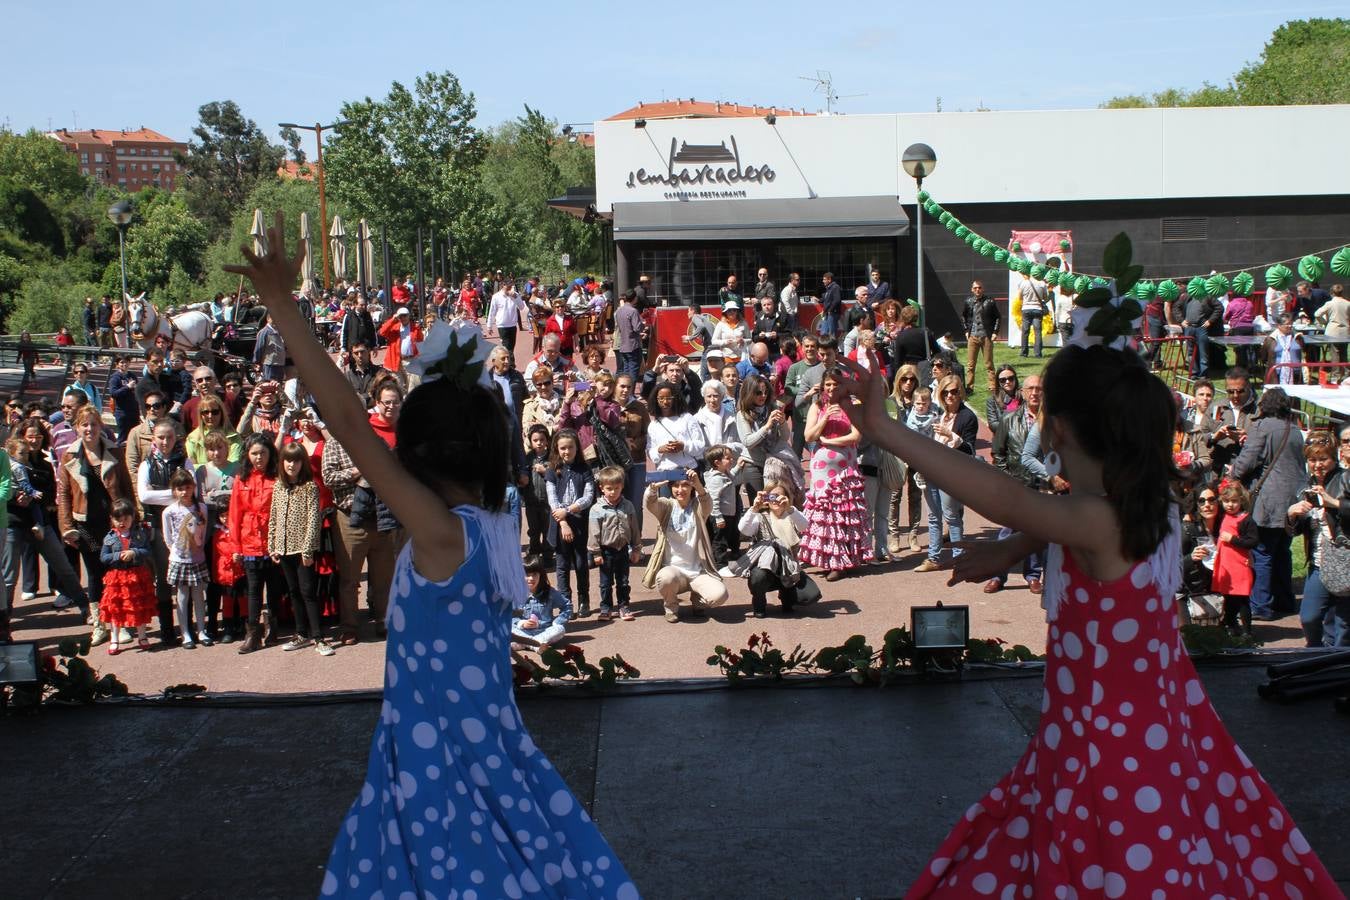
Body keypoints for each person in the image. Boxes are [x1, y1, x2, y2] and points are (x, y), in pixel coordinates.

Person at [836, 330, 1338, 897]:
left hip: (1107, 748)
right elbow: (1053, 517)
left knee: (1115, 864)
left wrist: (883, 429)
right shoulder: (1147, 500)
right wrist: (1012, 548)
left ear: (1060, 429)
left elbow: (1012, 499)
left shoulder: (1096, 521)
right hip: (1156, 726)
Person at [227, 221, 636, 897]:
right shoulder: (488, 525)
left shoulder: (443, 534)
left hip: (437, 754)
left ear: (416, 453)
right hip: (468, 743)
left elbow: (350, 424)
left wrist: (281, 305)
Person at [57, 405, 131, 648]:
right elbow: (65, 494)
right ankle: (100, 624)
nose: (89, 429)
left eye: (94, 424)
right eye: (84, 425)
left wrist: (134, 518)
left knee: (117, 572)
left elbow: (126, 486)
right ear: (77, 428)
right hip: (85, 524)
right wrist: (66, 526)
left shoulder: (114, 452)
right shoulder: (69, 456)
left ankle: (120, 623)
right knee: (95, 574)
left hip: (113, 523)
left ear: (101, 426)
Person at [1231, 386, 1306, 621]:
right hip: (1292, 501)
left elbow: (1246, 461)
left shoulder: (1262, 427)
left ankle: (1261, 605)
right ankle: (1285, 600)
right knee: (1282, 551)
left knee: (1262, 553)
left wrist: (1231, 474)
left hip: (1269, 501)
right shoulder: (1295, 430)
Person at [799, 367, 868, 581]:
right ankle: (825, 559)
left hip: (845, 467)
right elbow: (809, 435)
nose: (831, 388)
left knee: (843, 512)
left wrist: (829, 441)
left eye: (835, 384)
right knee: (825, 513)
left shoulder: (851, 405)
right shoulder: (817, 406)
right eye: (828, 384)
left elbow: (856, 436)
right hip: (822, 471)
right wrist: (824, 419)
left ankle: (843, 560)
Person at [1288, 429, 1350, 647]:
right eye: (1312, 460)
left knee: (1343, 626)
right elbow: (1293, 531)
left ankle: (1337, 669)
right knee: (1309, 617)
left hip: (1345, 563)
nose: (1317, 465)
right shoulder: (1304, 486)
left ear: (1334, 458)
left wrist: (1333, 502)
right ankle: (1315, 652)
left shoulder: (1345, 479)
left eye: (1323, 459)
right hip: (1319, 563)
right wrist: (1292, 515)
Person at [270, 442, 331, 655]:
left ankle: (318, 637)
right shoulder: (278, 486)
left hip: (302, 549)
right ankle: (301, 634)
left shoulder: (310, 487)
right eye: (288, 460)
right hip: (283, 548)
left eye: (296, 460)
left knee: (308, 592)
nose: (292, 465)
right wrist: (273, 546)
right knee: (294, 592)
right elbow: (274, 517)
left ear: (302, 463)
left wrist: (307, 551)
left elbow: (313, 521)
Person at [643, 471, 728, 622]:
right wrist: (653, 489)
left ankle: (697, 599)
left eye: (685, 485)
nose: (680, 490)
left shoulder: (698, 507)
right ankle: (671, 606)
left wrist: (698, 485)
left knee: (720, 596)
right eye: (676, 486)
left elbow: (707, 502)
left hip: (698, 572)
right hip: (674, 571)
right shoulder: (666, 506)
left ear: (691, 488)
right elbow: (651, 504)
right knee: (665, 578)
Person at [914, 376, 978, 574]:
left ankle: (959, 560)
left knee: (952, 517)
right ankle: (934, 558)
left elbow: (970, 450)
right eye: (945, 392)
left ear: (961, 393)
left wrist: (952, 437)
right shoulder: (939, 414)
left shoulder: (968, 417)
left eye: (954, 392)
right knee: (933, 517)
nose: (950, 396)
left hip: (951, 474)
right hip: (932, 470)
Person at [136, 420, 191, 646]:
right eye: (160, 437)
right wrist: (175, 493)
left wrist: (160, 493)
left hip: (183, 525)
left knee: (184, 579)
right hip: (157, 528)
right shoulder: (146, 465)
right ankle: (168, 629)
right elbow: (144, 496)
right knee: (163, 577)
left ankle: (187, 627)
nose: (165, 441)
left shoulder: (185, 461)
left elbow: (190, 490)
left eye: (169, 437)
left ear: (176, 438)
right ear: (153, 439)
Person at [228, 434, 278, 653]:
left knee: (275, 587)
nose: (259, 458)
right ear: (248, 455)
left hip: (273, 539)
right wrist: (236, 547)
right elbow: (234, 515)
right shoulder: (242, 479)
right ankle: (253, 634)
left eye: (263, 453)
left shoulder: (277, 477)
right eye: (255, 453)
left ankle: (273, 627)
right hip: (249, 541)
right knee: (254, 589)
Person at [546, 428, 594, 618]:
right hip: (559, 525)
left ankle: (584, 600)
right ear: (557, 449)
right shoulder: (552, 471)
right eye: (563, 448)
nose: (567, 451)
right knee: (562, 565)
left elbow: (588, 497)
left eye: (571, 447)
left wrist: (567, 510)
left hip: (580, 523)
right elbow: (552, 500)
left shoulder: (585, 470)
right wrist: (563, 522)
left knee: (581, 563)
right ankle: (566, 602)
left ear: (577, 448)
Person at [98, 498, 156, 655]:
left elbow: (147, 551)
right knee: (116, 608)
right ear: (112, 519)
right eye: (118, 519)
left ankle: (142, 636)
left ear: (132, 517)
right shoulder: (109, 537)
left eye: (126, 519)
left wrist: (134, 552)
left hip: (137, 575)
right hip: (117, 578)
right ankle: (114, 638)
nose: (122, 523)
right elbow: (104, 558)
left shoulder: (139, 534)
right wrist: (118, 555)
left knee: (139, 606)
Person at [162, 468, 210, 649]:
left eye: (188, 488)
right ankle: (185, 634)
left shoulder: (202, 508)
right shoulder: (169, 511)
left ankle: (202, 630)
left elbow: (203, 534)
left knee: (198, 595)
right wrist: (178, 551)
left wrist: (197, 548)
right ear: (174, 490)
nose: (184, 492)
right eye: (180, 488)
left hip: (197, 558)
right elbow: (168, 537)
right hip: (180, 559)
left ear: (193, 488)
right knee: (182, 596)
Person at [588, 465, 641, 621]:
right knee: (605, 583)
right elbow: (593, 533)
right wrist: (596, 553)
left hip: (623, 549)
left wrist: (636, 548)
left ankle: (624, 606)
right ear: (602, 488)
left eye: (616, 488)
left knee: (623, 581)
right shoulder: (597, 509)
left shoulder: (628, 506)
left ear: (622, 487)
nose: (613, 492)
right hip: (605, 551)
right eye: (609, 488)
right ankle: (606, 608)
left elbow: (634, 529)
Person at [1211, 479, 1258, 637]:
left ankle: (1247, 631)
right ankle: (1230, 624)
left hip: (1239, 565)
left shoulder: (1246, 520)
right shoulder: (1223, 516)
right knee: (1228, 598)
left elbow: (1253, 541)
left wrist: (1232, 539)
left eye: (1234, 501)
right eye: (1226, 501)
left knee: (1242, 599)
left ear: (1241, 501)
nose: (1230, 505)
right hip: (1225, 565)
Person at [647, 380, 706, 476]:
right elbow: (651, 453)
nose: (665, 402)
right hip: (665, 472)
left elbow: (700, 445)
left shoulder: (687, 418)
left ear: (676, 398)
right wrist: (660, 449)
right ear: (656, 400)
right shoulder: (654, 424)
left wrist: (683, 446)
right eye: (661, 398)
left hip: (689, 471)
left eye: (669, 398)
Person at [513, 554, 572, 646]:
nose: (531, 578)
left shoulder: (549, 592)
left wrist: (557, 622)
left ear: (541, 575)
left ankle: (527, 643)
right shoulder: (516, 593)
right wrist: (522, 623)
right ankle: (535, 645)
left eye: (535, 574)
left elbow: (567, 605)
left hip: (544, 631)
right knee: (506, 627)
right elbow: (508, 614)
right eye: (527, 575)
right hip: (523, 631)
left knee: (560, 629)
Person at [702, 444, 745, 569]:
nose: (732, 460)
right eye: (728, 458)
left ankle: (724, 557)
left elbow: (730, 476)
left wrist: (737, 467)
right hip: (721, 515)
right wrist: (718, 517)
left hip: (727, 513)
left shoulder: (723, 473)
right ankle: (720, 564)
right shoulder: (716, 479)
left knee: (726, 536)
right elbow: (714, 499)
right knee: (719, 540)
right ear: (717, 462)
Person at [962, 281, 1000, 393]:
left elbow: (998, 317)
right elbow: (963, 316)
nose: (977, 290)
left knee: (989, 363)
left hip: (986, 336)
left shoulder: (989, 301)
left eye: (979, 288)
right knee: (970, 364)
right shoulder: (968, 302)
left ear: (983, 289)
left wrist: (995, 332)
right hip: (973, 336)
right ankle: (969, 387)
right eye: (975, 288)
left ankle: (992, 386)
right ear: (972, 289)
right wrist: (966, 330)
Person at [378, 307, 423, 393]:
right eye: (401, 316)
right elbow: (382, 332)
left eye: (405, 315)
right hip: (396, 361)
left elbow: (421, 341)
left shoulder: (415, 328)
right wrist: (393, 319)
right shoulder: (394, 328)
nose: (403, 318)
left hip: (410, 360)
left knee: (413, 386)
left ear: (409, 316)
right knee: (398, 387)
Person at [487, 282, 528, 356]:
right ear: (503, 285)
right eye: (508, 287)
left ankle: (508, 364)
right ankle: (510, 364)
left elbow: (522, 307)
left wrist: (516, 297)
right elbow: (492, 311)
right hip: (502, 325)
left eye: (511, 287)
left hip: (512, 325)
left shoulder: (515, 295)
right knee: (506, 347)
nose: (510, 289)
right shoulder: (496, 297)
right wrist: (489, 326)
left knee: (511, 347)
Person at [613, 288, 645, 381]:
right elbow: (637, 328)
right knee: (634, 370)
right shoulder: (633, 311)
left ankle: (626, 391)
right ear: (634, 298)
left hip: (623, 344)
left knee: (626, 370)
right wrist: (643, 324)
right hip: (633, 345)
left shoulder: (618, 311)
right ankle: (631, 393)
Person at [1016, 271, 1048, 358]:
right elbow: (1045, 298)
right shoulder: (1042, 283)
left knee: (1025, 332)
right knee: (1037, 332)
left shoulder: (1023, 283)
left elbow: (1019, 297)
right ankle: (1038, 353)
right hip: (1038, 309)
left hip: (1026, 309)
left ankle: (1024, 353)